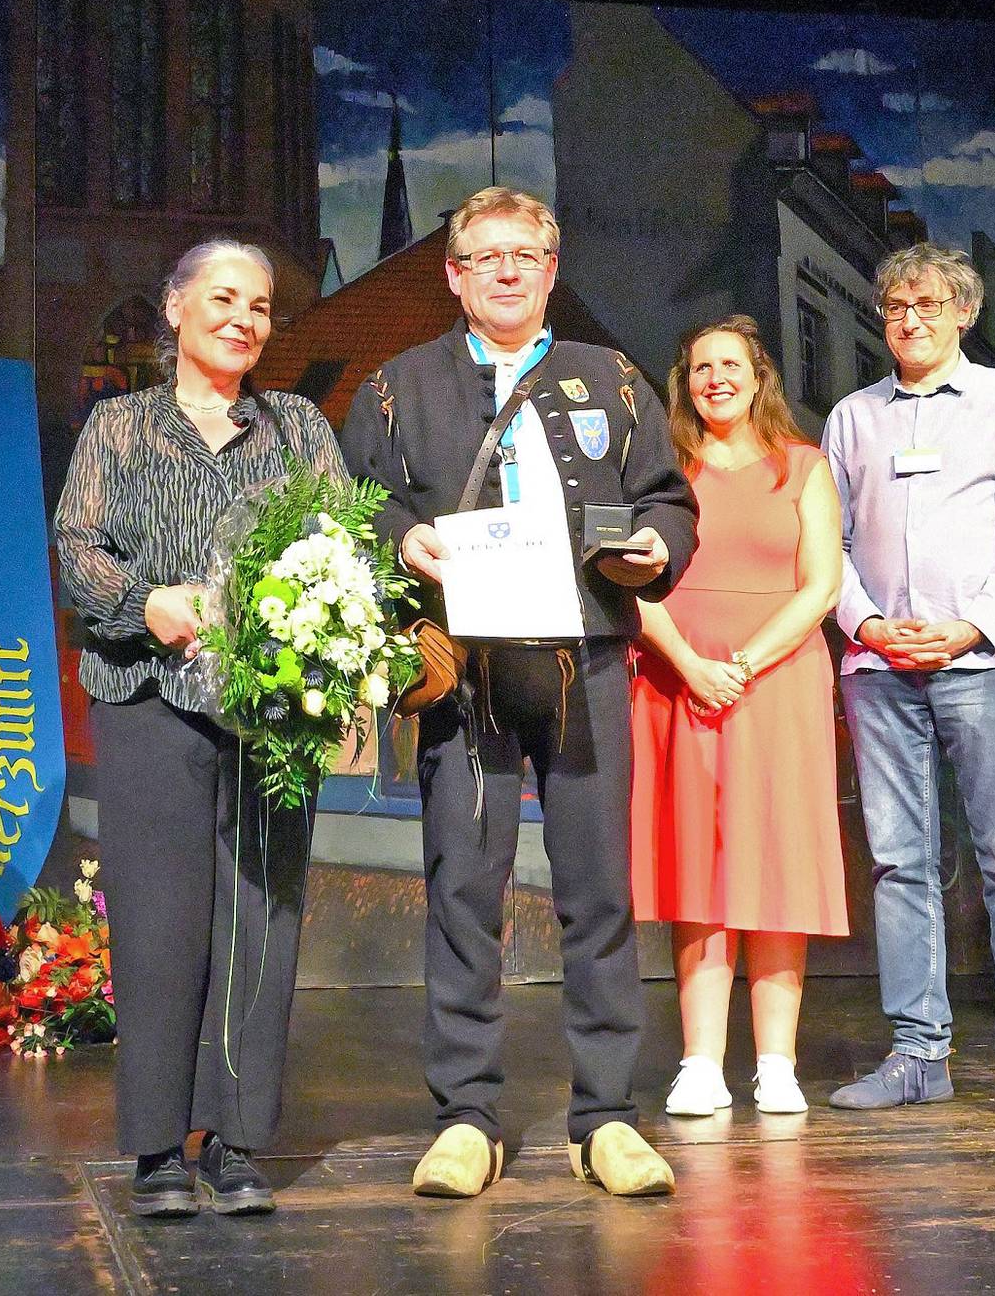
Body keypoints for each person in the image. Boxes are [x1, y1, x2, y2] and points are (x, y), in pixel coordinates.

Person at [340, 187, 698, 1201]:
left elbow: (669, 498)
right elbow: (357, 504)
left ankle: (607, 1118)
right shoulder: (399, 386)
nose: (506, 269)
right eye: (484, 254)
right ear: (454, 273)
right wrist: (396, 541)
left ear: (551, 268)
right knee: (462, 890)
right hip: (470, 669)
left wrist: (653, 547)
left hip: (584, 659)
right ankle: (465, 1116)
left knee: (598, 895)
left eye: (526, 254)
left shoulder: (609, 377)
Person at [56, 239, 347, 1220]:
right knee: (159, 923)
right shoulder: (121, 427)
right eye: (223, 298)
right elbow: (77, 550)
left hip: (271, 712)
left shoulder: (298, 427)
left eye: (260, 306)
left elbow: (341, 542)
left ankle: (232, 1139)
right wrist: (148, 604)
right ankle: (154, 1148)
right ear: (174, 310)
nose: (244, 319)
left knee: (258, 924)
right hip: (149, 699)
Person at [821, 241, 995, 1123]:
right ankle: (918, 1052)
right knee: (899, 862)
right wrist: (869, 624)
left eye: (926, 305)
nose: (910, 321)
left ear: (963, 312)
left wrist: (972, 624)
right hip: (878, 668)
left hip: (981, 661)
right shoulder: (852, 416)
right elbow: (831, 542)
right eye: (895, 308)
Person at [629, 317, 846, 1118]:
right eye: (698, 368)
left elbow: (821, 586)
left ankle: (778, 1063)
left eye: (730, 365)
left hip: (776, 680)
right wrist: (691, 665)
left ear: (759, 377)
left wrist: (742, 665)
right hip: (676, 675)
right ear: (683, 382)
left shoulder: (803, 466)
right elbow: (626, 582)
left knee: (777, 862)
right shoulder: (661, 472)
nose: (714, 378)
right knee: (700, 867)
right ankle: (698, 1062)